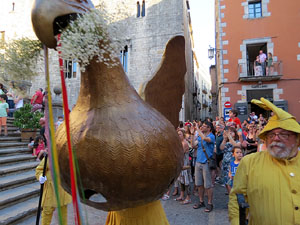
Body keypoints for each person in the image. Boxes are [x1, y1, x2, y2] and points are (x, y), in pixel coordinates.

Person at [229, 97, 300, 225]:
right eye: (271, 135)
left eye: (283, 134)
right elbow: (236, 199)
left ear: (297, 139)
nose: (276, 139)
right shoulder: (249, 163)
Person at [36, 157, 72, 225]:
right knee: (47, 211)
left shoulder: (66, 156)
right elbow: (39, 170)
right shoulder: (49, 158)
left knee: (63, 213)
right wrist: (41, 176)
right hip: (50, 189)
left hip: (63, 189)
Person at [191, 121, 215, 212]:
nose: (202, 127)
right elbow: (193, 145)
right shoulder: (200, 136)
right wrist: (193, 134)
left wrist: (197, 129)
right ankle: (201, 201)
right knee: (199, 184)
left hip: (206, 163)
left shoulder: (211, 136)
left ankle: (210, 203)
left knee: (208, 185)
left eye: (204, 126)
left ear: (209, 128)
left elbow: (206, 139)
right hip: (198, 162)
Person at [220, 127, 241, 194]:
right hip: (225, 163)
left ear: (235, 134)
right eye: (229, 132)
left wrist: (229, 136)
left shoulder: (237, 142)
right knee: (226, 181)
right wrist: (224, 139)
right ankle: (231, 197)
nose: (230, 133)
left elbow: (236, 146)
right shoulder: (227, 142)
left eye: (231, 132)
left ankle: (236, 198)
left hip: (232, 164)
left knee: (232, 181)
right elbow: (221, 148)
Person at [175, 129, 192, 204]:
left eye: (180, 134)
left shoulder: (184, 143)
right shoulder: (179, 143)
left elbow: (180, 154)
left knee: (186, 181)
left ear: (183, 135)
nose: (178, 136)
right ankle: (182, 195)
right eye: (178, 134)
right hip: (181, 164)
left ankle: (188, 197)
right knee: (180, 180)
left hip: (185, 165)